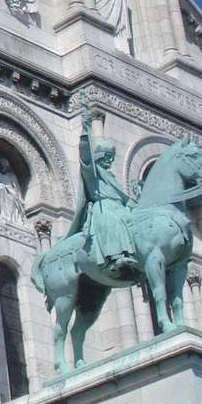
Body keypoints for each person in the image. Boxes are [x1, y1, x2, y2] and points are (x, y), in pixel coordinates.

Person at [70, 110, 138, 279]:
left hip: (119, 206)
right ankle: (116, 258)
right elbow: (85, 157)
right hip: (104, 207)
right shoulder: (92, 173)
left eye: (112, 157)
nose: (110, 160)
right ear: (100, 157)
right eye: (107, 156)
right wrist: (85, 131)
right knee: (115, 220)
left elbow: (123, 197)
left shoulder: (111, 176)